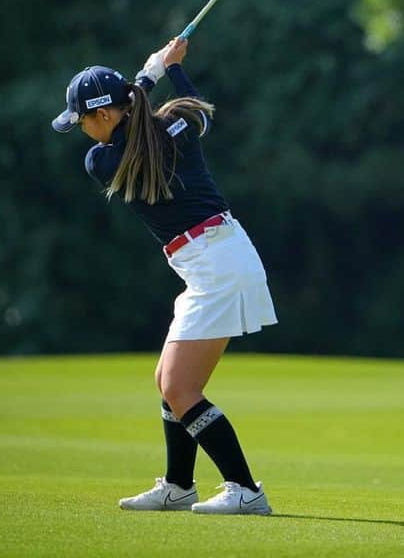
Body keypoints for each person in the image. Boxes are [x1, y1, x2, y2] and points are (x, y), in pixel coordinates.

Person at [51, 37, 278, 515]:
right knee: (167, 382)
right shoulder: (167, 127)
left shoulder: (106, 156)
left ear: (104, 115)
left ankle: (245, 490)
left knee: (179, 388)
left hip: (218, 264)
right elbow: (199, 116)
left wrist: (153, 73)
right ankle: (179, 486)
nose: (83, 132)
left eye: (83, 121)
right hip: (215, 261)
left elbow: (157, 126)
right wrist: (169, 70)